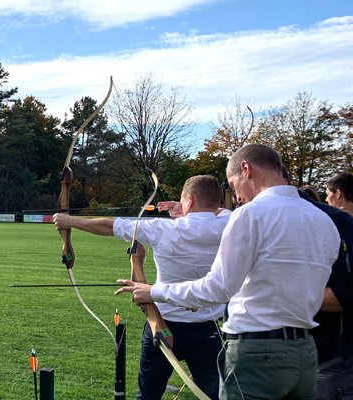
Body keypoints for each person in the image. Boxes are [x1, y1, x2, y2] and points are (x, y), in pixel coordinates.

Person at [116, 144, 341, 399]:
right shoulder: (323, 220)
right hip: (305, 352)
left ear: (246, 169)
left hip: (256, 352)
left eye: (234, 186)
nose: (237, 198)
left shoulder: (250, 214)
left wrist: (153, 291)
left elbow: (217, 289)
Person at [54, 175, 229, 400]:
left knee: (148, 396)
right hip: (208, 329)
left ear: (190, 200)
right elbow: (218, 212)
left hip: (163, 325)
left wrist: (70, 222)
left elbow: (112, 225)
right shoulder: (229, 222)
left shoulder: (163, 228)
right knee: (213, 395)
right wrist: (185, 207)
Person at [308, 175, 353, 399]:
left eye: (327, 193)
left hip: (336, 358)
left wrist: (284, 294)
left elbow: (346, 294)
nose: (326, 198)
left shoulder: (340, 225)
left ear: (338, 194)